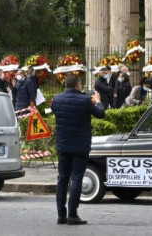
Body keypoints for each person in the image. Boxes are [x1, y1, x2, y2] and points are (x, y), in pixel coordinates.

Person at [52, 73, 105, 225]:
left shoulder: (57, 99)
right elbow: (101, 114)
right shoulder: (85, 101)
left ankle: (61, 215)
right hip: (80, 146)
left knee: (62, 179)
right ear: (78, 85)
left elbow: (55, 111)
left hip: (63, 144)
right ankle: (73, 215)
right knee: (76, 178)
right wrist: (98, 101)